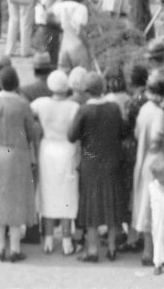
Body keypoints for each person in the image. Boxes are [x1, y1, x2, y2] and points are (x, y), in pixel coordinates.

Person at [0, 65, 40, 262]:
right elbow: (31, 131)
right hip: (16, 152)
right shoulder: (23, 104)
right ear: (16, 82)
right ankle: (14, 248)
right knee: (16, 199)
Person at [67, 70, 127, 261]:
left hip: (91, 162)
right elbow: (123, 131)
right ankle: (111, 247)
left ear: (86, 90)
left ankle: (92, 249)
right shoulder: (114, 108)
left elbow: (71, 136)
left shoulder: (84, 110)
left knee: (91, 206)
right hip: (111, 160)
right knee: (111, 204)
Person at [32, 70, 79, 254]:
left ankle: (49, 239)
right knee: (67, 195)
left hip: (47, 150)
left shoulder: (40, 104)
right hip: (67, 149)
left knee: (47, 193)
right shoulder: (73, 107)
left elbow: (28, 112)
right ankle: (67, 240)